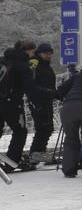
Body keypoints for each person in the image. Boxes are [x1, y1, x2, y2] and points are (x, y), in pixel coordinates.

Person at [1, 41, 37, 172]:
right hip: (11, 102)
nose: (33, 55)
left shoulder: (3, 60)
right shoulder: (22, 64)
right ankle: (11, 163)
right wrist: (37, 100)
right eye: (33, 51)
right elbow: (29, 87)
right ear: (27, 51)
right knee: (20, 131)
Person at [27, 43, 57, 162]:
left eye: (50, 54)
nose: (48, 56)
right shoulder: (34, 64)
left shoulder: (46, 66)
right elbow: (31, 84)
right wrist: (46, 91)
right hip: (38, 101)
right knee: (43, 127)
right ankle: (35, 153)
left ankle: (39, 152)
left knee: (48, 127)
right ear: (39, 53)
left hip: (46, 99)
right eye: (46, 53)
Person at [54, 65, 82, 178]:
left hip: (68, 108)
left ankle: (69, 170)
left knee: (71, 139)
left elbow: (58, 92)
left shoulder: (76, 77)